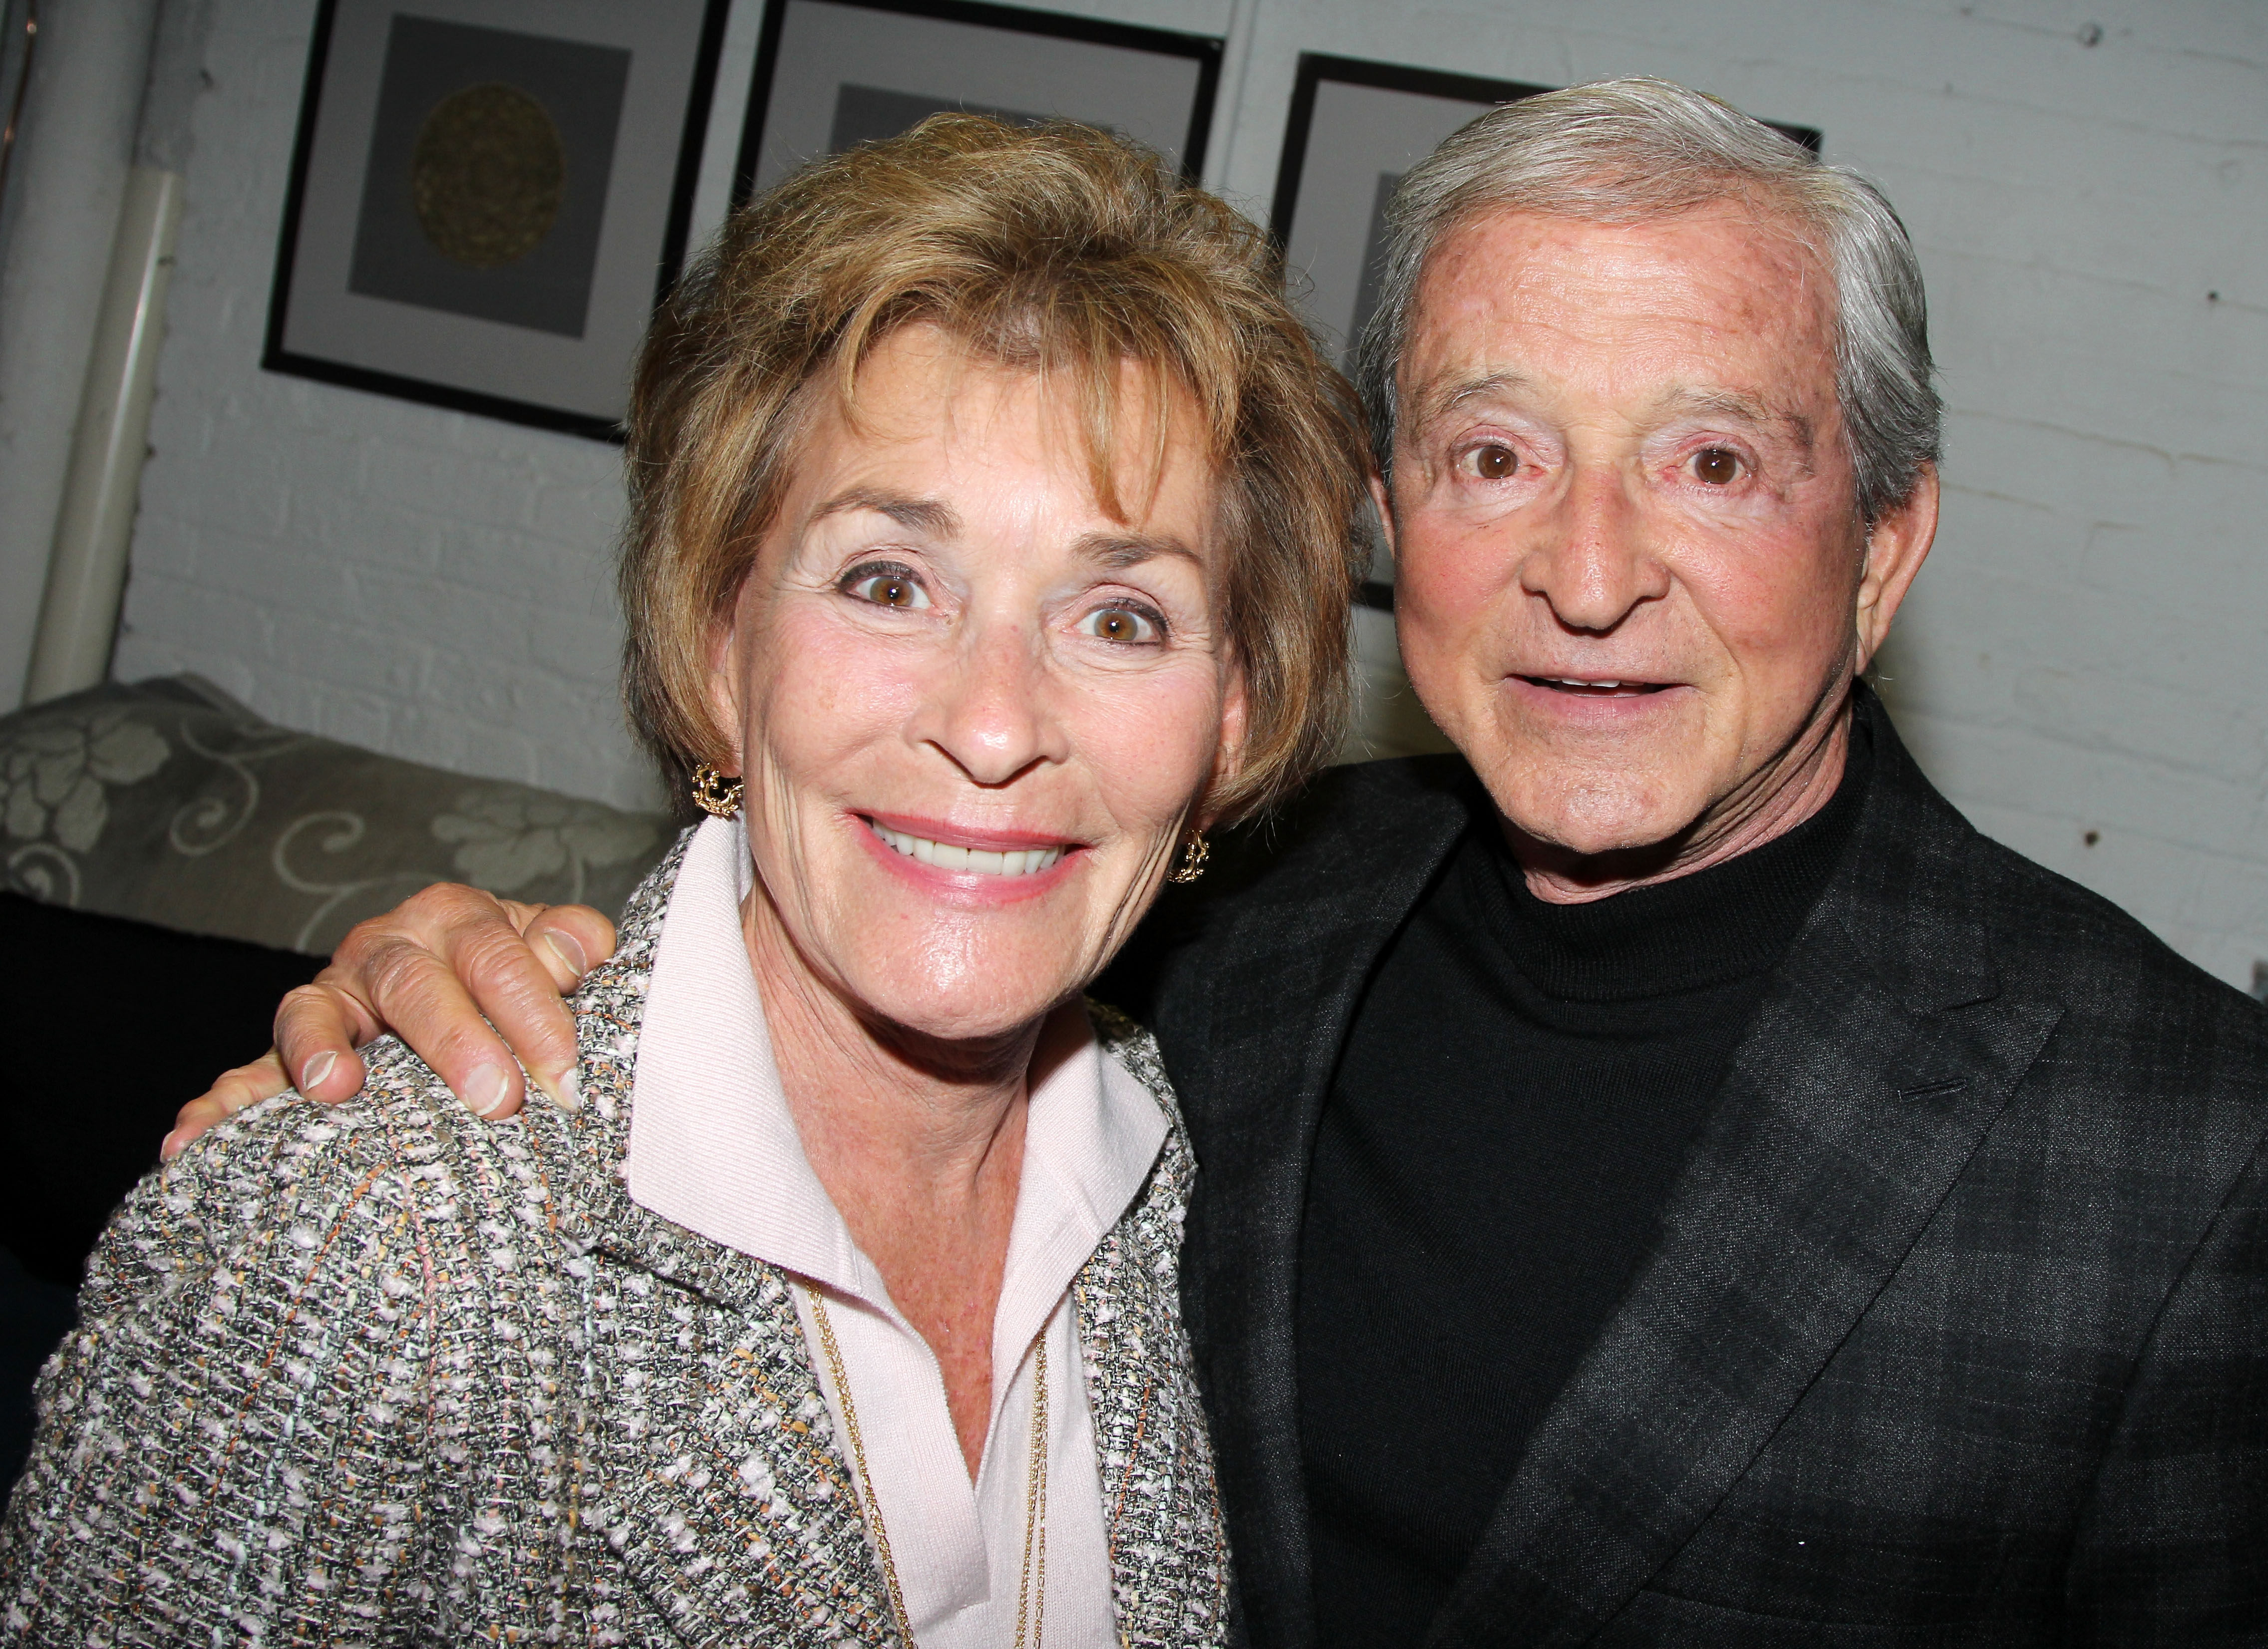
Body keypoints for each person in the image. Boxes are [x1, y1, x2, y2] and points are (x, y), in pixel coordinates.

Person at [172, 81, 2268, 1645]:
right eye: (1494, 450)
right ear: (1383, 526)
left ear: (1881, 554)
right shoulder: (1235, 913)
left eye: (1711, 464)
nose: (1585, 570)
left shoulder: (2197, 1175)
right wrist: (451, 973)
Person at [4, 115, 1370, 1643]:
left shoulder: (1166, 1172)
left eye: (1120, 617)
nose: (995, 725)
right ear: (721, 646)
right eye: (887, 581)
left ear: (1232, 715)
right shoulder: (360, 1255)